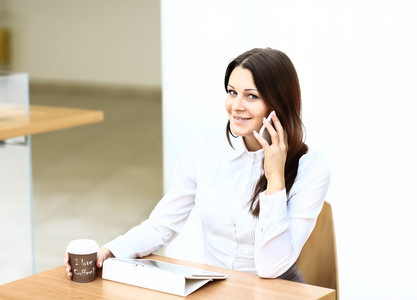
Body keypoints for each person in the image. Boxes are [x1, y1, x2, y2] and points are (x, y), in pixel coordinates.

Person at [64, 48, 330, 283]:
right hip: (217, 289)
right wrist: (108, 251)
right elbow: (161, 225)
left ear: (279, 103)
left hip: (278, 292)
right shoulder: (205, 150)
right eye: (232, 92)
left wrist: (275, 180)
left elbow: (271, 268)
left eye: (251, 96)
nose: (236, 106)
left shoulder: (311, 170)